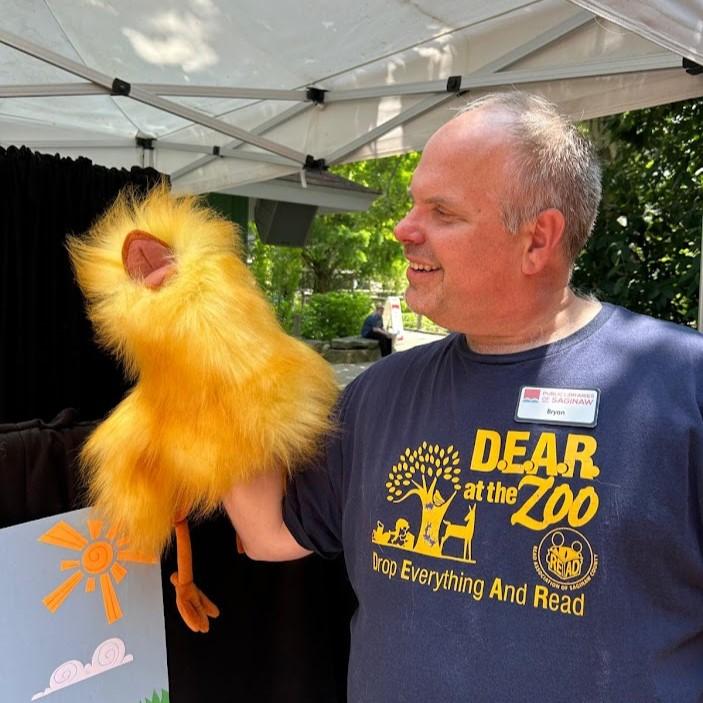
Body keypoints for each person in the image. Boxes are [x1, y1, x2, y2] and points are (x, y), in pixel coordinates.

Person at [224, 91, 703, 702]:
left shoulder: (681, 387)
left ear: (538, 240)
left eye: (443, 212)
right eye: (413, 203)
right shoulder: (381, 393)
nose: (403, 229)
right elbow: (266, 533)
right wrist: (203, 350)